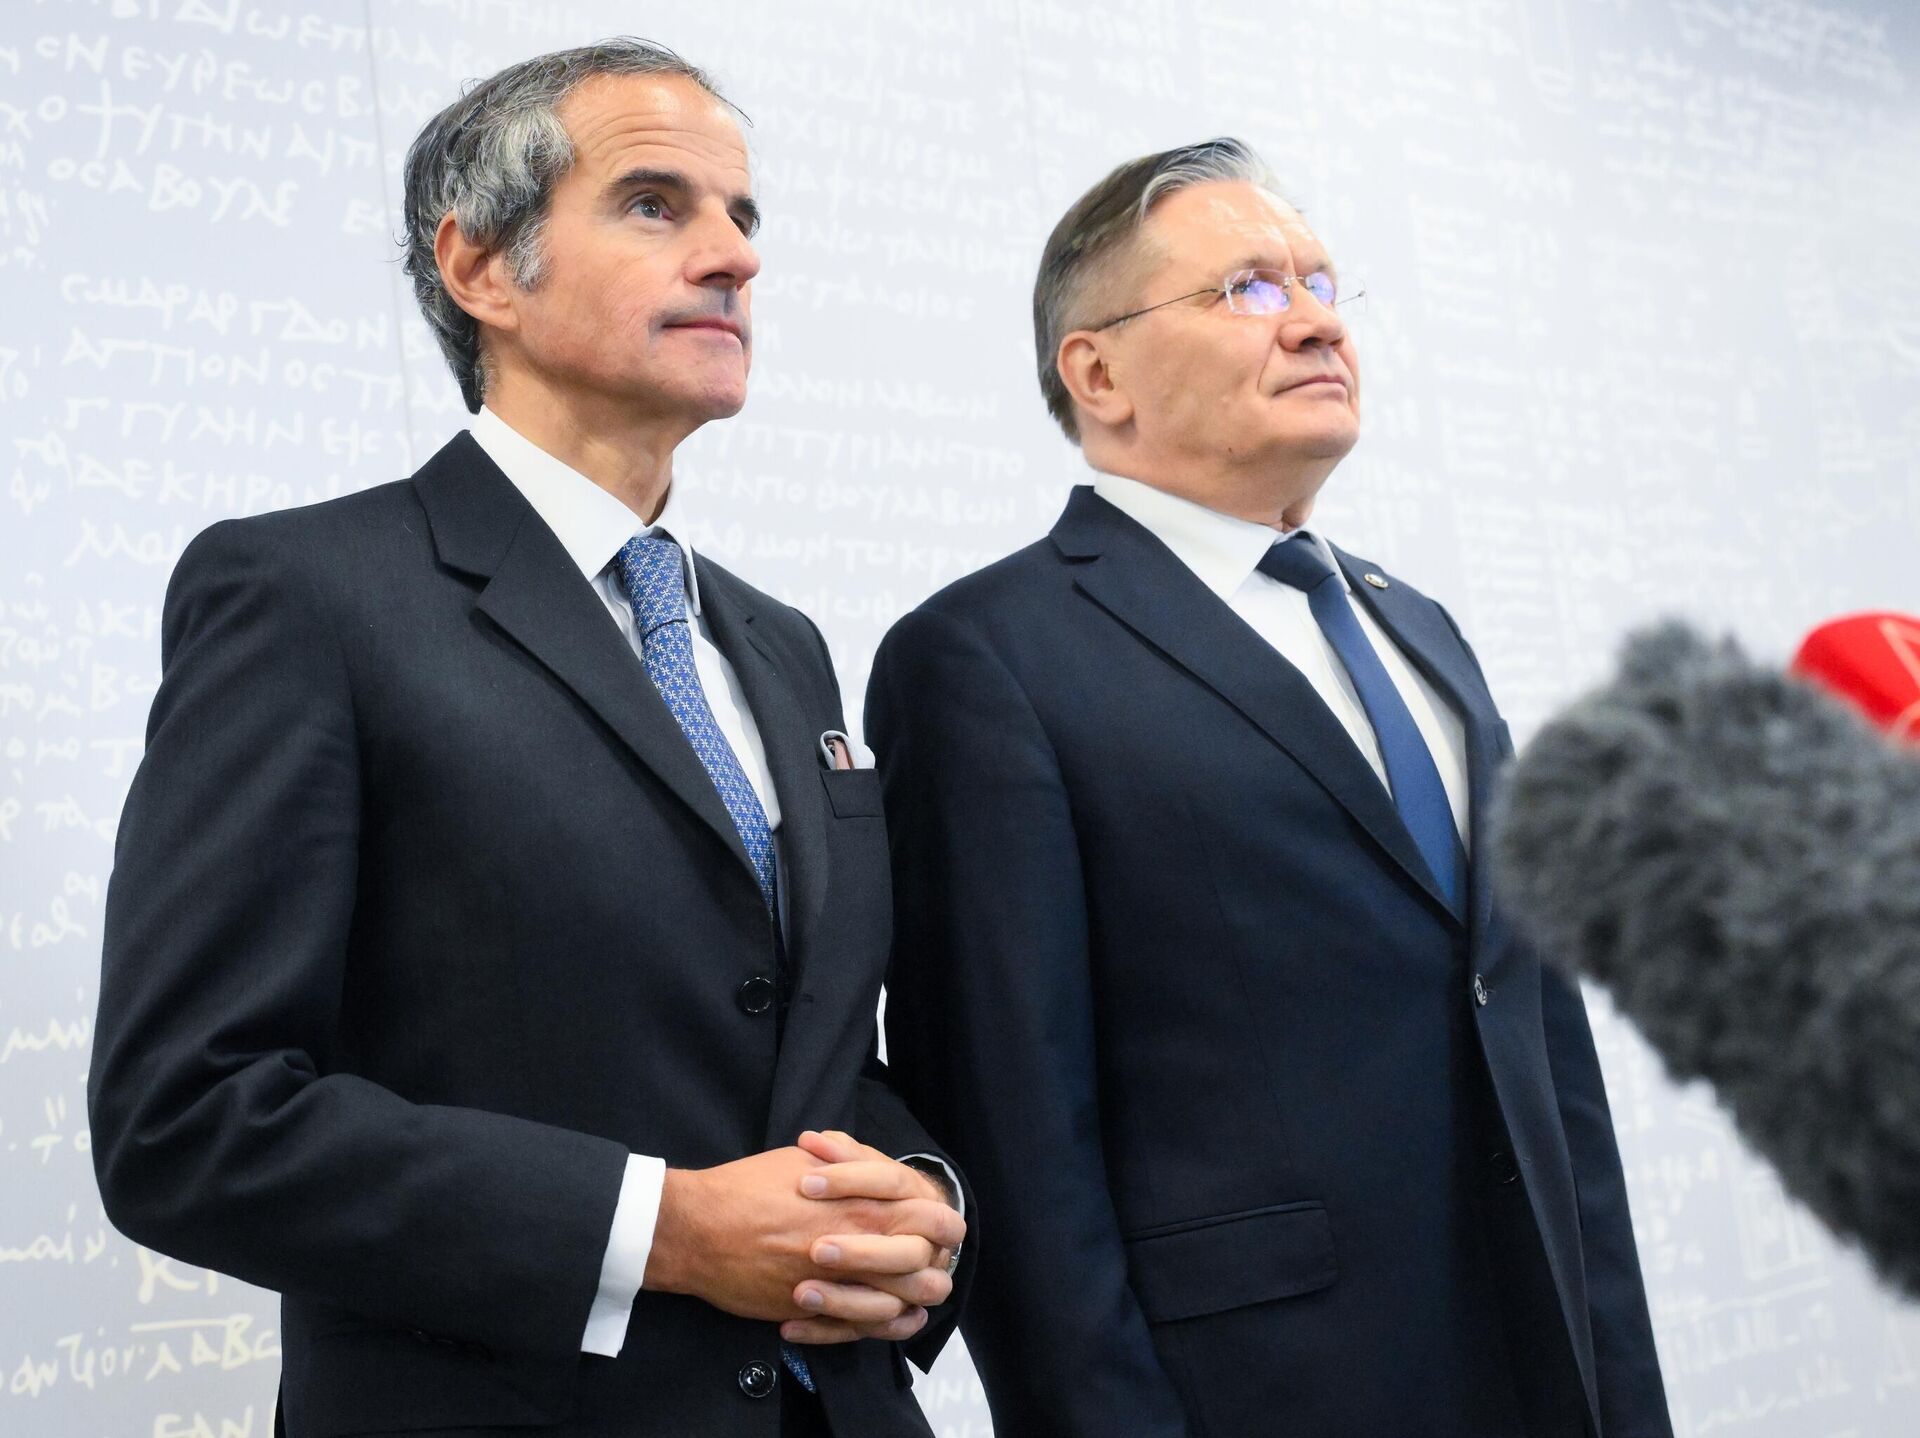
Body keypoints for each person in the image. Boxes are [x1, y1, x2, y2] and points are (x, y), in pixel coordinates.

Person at [89, 39, 967, 1438]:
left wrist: (917, 1190)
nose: (735, 256)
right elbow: (190, 1120)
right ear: (481, 266)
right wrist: (666, 1230)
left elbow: (792, 1041)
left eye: (744, 216)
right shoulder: (306, 597)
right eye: (654, 204)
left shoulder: (782, 644)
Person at [867, 138, 1670, 1437]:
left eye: (1322, 284)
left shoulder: (1423, 631)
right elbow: (1014, 1129)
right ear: (1098, 373)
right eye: (1246, 289)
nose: (1312, 322)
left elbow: (1541, 1053)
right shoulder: (985, 657)